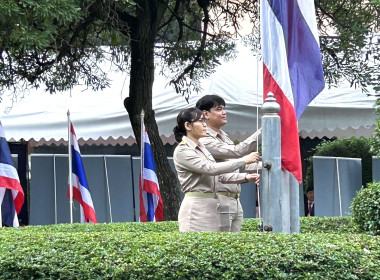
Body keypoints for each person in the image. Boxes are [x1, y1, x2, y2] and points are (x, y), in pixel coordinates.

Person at [173, 108, 260, 232]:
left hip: (212, 205)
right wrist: (243, 160)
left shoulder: (201, 148)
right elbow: (211, 168)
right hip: (197, 207)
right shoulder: (183, 150)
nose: (204, 125)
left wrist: (245, 177)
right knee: (199, 249)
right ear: (188, 125)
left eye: (204, 121)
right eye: (200, 121)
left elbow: (219, 177)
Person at [196, 94, 262, 232]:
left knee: (234, 247)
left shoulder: (223, 136)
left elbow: (241, 165)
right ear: (206, 114)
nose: (224, 112)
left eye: (224, 109)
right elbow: (237, 152)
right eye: (219, 109)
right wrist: (265, 128)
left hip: (235, 200)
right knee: (222, 246)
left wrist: (271, 165)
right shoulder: (204, 139)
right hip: (220, 199)